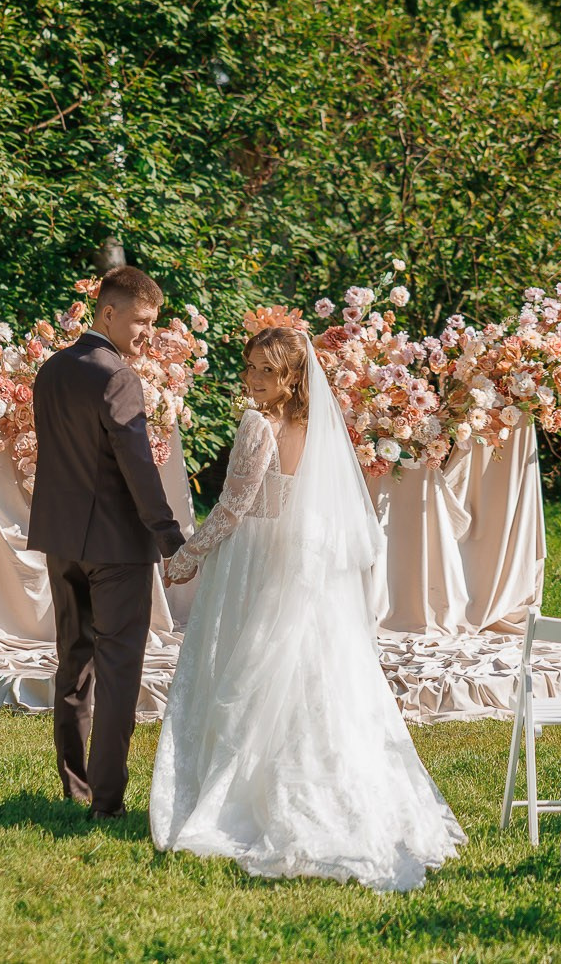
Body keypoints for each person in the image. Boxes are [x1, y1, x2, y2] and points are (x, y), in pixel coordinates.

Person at [150, 326, 465, 890]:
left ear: (291, 376)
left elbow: (233, 507)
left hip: (257, 559)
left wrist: (186, 554)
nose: (251, 379)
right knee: (310, 678)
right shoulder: (317, 423)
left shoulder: (257, 425)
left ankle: (246, 796)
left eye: (264, 371)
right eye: (248, 368)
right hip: (305, 560)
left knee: (247, 672)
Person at [27, 264, 188, 819]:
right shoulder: (117, 376)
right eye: (141, 321)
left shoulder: (51, 370)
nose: (148, 333)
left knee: (73, 662)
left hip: (61, 540)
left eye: (153, 322)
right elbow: (138, 466)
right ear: (108, 312)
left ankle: (75, 785)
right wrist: (170, 537)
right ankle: (108, 802)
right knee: (119, 671)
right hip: (116, 547)